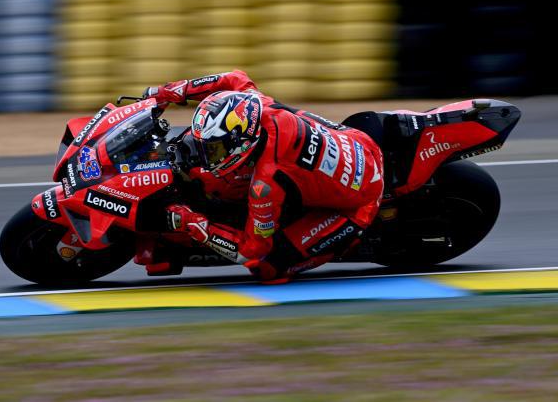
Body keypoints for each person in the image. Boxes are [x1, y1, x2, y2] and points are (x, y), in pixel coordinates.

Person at [143, 70, 384, 283]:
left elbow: (251, 251)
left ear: (242, 144)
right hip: (357, 139)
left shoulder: (266, 183)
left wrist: (193, 223)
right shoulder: (256, 104)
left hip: (358, 204)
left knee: (267, 268)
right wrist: (173, 92)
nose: (204, 155)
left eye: (213, 149)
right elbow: (234, 78)